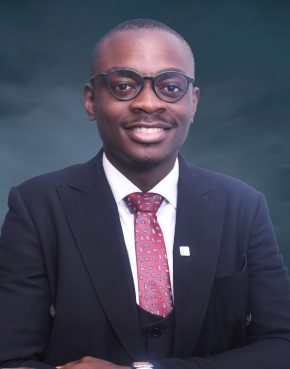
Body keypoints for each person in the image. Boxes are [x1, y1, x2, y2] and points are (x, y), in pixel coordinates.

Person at [0, 19, 290, 369]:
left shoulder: (243, 206)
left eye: (170, 87)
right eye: (124, 86)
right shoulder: (37, 207)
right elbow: (12, 358)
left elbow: (281, 345)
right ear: (92, 101)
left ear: (193, 102)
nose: (149, 104)